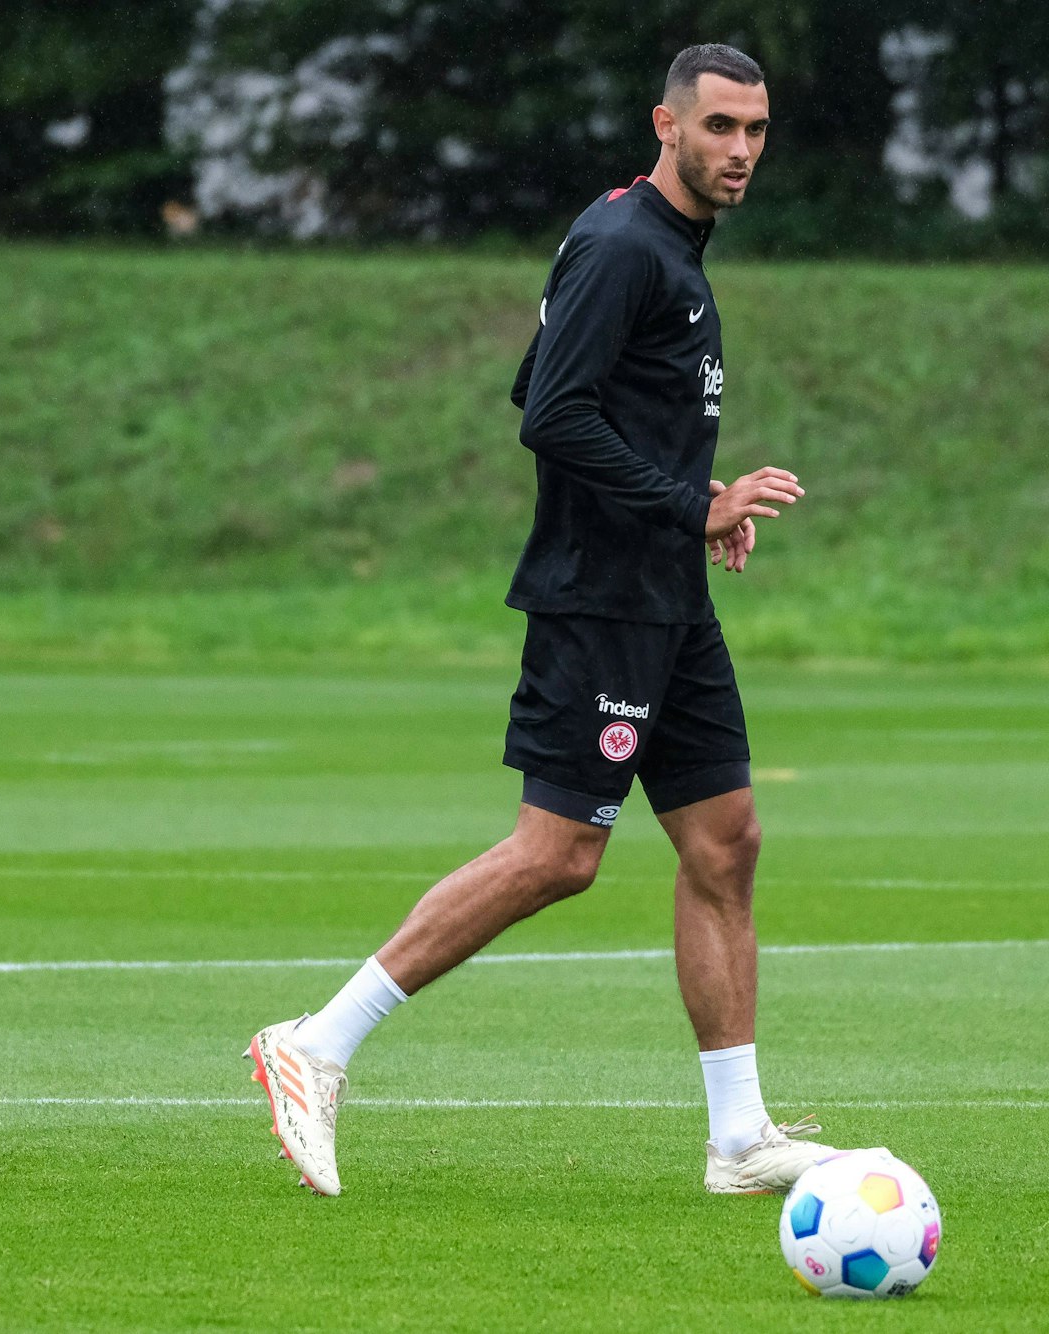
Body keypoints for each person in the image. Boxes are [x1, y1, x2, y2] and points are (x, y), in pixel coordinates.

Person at [247, 42, 846, 1197]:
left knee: (726, 841)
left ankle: (739, 1138)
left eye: (756, 130)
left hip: (669, 597)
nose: (740, 151)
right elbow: (552, 414)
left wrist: (694, 519)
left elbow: (550, 381)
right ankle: (315, 1044)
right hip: (600, 601)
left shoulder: (661, 245)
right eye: (718, 127)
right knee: (559, 853)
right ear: (664, 125)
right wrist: (692, 499)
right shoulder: (625, 244)